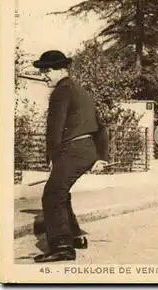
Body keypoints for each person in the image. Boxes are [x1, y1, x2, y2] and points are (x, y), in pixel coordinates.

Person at [31, 50, 109, 263]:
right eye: (41, 71)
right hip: (85, 149)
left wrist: (51, 156)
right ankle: (74, 237)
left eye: (46, 70)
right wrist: (101, 156)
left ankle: (62, 247)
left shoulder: (61, 91)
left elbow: (55, 128)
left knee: (52, 195)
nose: (43, 75)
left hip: (72, 150)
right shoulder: (81, 91)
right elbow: (101, 128)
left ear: (61, 70)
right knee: (61, 192)